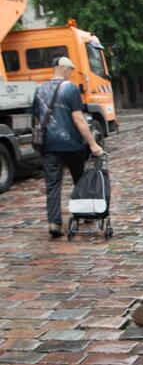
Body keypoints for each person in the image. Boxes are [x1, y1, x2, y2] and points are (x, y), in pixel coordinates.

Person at [32, 56, 104, 238]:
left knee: (52, 184)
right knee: (79, 180)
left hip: (49, 145)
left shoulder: (39, 89)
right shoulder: (70, 88)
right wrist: (93, 144)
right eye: (71, 70)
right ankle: (85, 214)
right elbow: (79, 119)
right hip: (71, 144)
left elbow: (37, 119)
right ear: (64, 68)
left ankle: (54, 222)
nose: (71, 73)